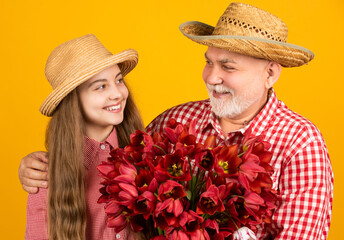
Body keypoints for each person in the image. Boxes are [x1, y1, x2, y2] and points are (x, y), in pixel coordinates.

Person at [19, 2, 333, 239]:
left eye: (228, 66)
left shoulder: (300, 143)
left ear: (271, 73)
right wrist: (38, 167)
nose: (212, 77)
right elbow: (115, 164)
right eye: (209, 62)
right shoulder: (178, 120)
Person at [24, 34, 145, 240]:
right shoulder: (46, 179)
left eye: (118, 80)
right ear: (73, 101)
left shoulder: (145, 157)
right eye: (100, 86)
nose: (117, 93)